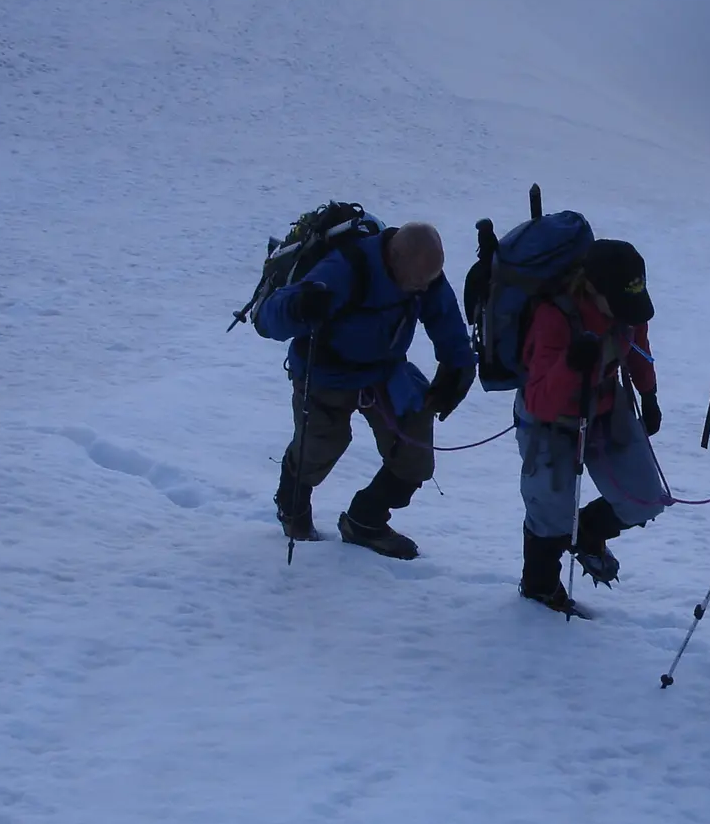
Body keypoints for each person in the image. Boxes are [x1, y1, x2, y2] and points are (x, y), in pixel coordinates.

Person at [255, 220, 477, 560]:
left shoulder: (424, 276)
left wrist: (458, 369)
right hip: (327, 373)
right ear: (396, 258)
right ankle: (292, 505)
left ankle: (365, 520)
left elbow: (445, 319)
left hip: (385, 370)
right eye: (417, 283)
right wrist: (300, 307)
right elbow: (268, 319)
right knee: (319, 448)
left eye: (428, 282)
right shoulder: (344, 269)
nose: (423, 290)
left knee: (414, 451)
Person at [514, 239, 667, 614]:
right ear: (593, 289)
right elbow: (539, 401)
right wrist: (572, 364)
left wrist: (649, 395)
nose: (629, 315)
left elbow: (638, 350)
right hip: (550, 422)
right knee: (550, 512)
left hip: (604, 408)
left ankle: (588, 534)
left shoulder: (627, 307)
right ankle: (540, 589)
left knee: (644, 498)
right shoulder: (554, 316)